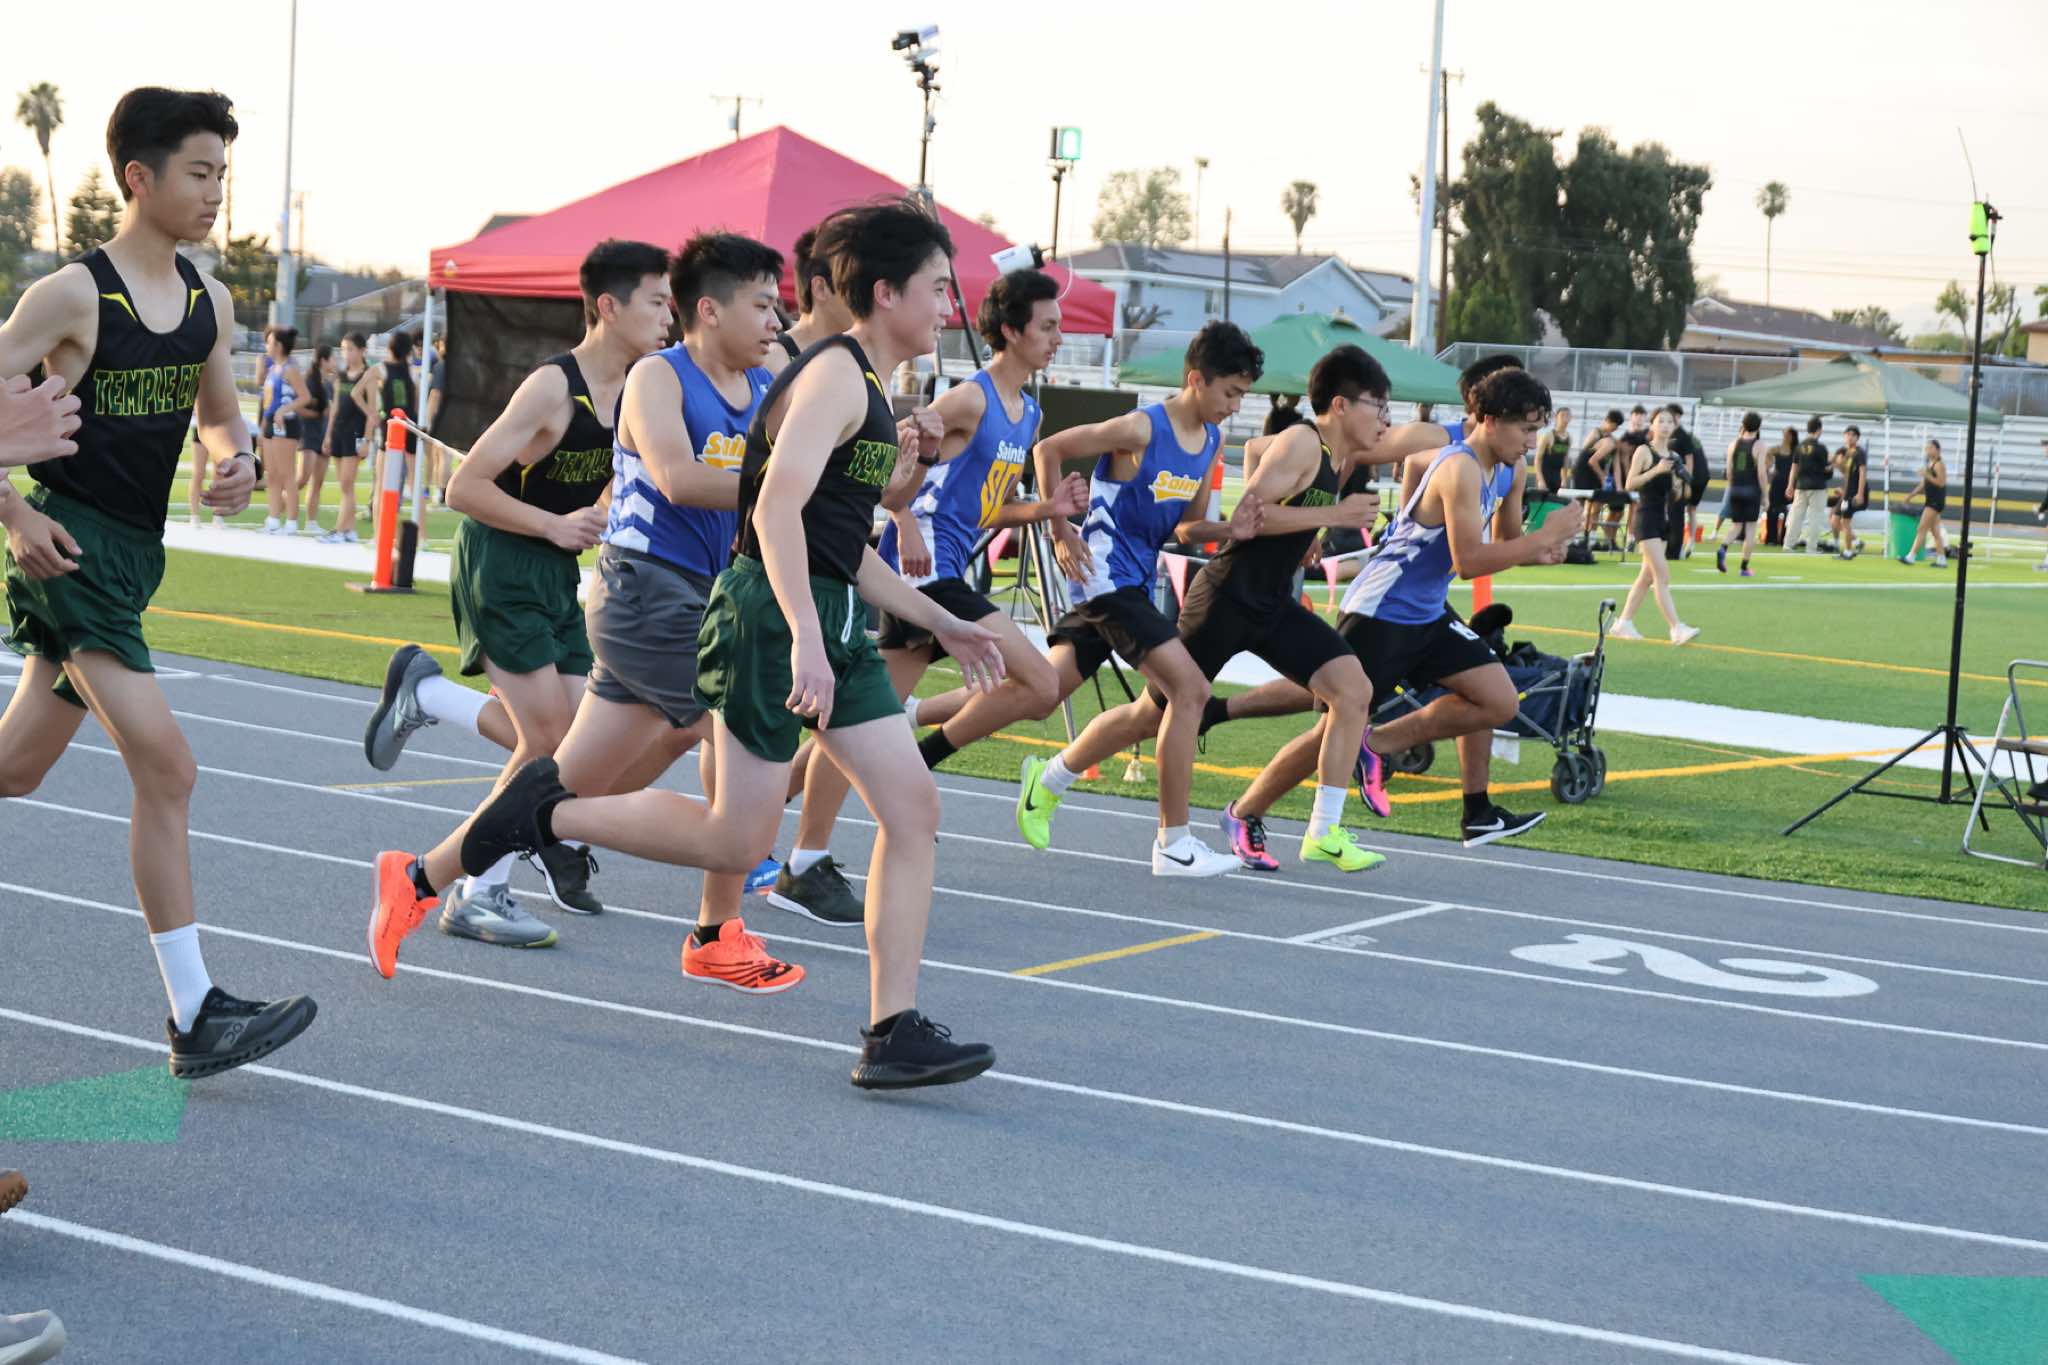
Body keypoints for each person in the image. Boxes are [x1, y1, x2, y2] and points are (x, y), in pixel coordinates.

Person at [432, 200, 1007, 1089]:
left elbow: (838, 533)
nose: (948, 305)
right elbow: (773, 510)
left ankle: (891, 1028)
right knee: (737, 834)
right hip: (757, 614)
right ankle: (548, 819)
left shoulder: (863, 386)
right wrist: (806, 636)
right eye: (938, 287)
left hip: (821, 616)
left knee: (912, 809)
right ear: (886, 292)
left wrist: (941, 619)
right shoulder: (830, 377)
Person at [0, 86, 317, 1077]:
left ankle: (195, 1013)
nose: (217, 191)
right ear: (139, 177)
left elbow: (218, 413)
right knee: (169, 767)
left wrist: (234, 458)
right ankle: (195, 1012)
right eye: (199, 172)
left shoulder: (210, 301)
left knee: (15, 768)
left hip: (134, 556)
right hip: (70, 550)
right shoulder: (72, 296)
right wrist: (14, 515)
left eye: (223, 173)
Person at [363, 239, 672, 953]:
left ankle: (428, 696)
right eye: (657, 302)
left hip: (554, 571)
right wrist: (553, 524)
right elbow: (462, 488)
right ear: (609, 306)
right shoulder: (551, 388)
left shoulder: (635, 390)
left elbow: (606, 482)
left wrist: (595, 521)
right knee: (547, 741)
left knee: (577, 743)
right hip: (500, 561)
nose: (668, 317)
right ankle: (477, 892)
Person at [771, 268, 1086, 922]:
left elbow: (985, 510)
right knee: (1041, 683)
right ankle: (908, 757)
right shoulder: (971, 398)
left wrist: (1046, 511)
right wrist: (903, 516)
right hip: (919, 567)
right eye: (1049, 326)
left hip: (945, 566)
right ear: (1011, 331)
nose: (1059, 337)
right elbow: (894, 455)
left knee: (856, 720)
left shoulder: (1029, 412)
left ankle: (769, 823)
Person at [1055, 345, 1390, 876]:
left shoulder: (1341, 458)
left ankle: (1324, 832)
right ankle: (1053, 776)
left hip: (1273, 605)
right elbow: (1251, 511)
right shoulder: (1304, 441)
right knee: (1151, 714)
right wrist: (1333, 515)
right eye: (1379, 406)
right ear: (1342, 405)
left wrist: (1310, 531)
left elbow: (1258, 457)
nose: (1386, 419)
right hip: (1228, 598)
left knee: (1354, 690)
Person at [1223, 368, 1582, 850]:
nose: (1532, 442)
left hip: (1428, 612)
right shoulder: (1459, 467)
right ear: (1491, 420)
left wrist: (1545, 548)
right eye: (1526, 429)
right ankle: (1244, 813)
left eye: (1537, 430)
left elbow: (1506, 542)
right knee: (1328, 734)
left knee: (1499, 701)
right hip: (1382, 610)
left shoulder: (1509, 470)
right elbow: (1469, 561)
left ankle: (1378, 746)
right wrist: (1542, 538)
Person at [1009, 321, 1266, 877]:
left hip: (1132, 583)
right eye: (1230, 393)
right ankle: (1174, 843)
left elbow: (1186, 529)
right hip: (1103, 577)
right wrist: (1059, 529)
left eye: (1243, 396)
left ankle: (1036, 778)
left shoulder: (1211, 441)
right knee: (1190, 690)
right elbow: (1049, 448)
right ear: (1196, 379)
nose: (1235, 406)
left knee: (1042, 692)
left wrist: (1231, 530)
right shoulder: (1141, 427)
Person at [1609, 408, 1700, 645]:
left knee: (1646, 576)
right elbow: (1630, 483)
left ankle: (1623, 622)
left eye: (1670, 422)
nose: (1666, 425)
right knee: (1662, 575)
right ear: (1653, 425)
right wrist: (1656, 470)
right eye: (1661, 421)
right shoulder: (1644, 451)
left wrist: (1679, 483)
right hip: (1646, 518)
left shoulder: (1673, 456)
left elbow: (1677, 493)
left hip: (1663, 519)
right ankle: (1676, 627)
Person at [313, 333, 369, 542]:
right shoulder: (341, 376)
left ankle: (339, 529)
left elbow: (372, 411)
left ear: (362, 350)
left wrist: (367, 440)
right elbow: (335, 406)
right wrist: (328, 435)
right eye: (344, 349)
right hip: (339, 431)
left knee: (347, 483)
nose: (346, 353)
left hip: (355, 433)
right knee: (345, 485)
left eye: (351, 349)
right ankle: (350, 530)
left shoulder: (367, 375)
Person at [352, 329, 417, 508]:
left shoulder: (380, 369)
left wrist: (371, 413)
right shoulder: (412, 372)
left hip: (389, 427)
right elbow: (417, 401)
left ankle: (379, 524)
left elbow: (356, 392)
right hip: (410, 426)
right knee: (414, 481)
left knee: (381, 482)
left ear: (390, 348)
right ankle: (420, 526)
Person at [258, 324, 311, 534]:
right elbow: (268, 401)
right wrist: (263, 426)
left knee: (287, 474)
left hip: (286, 424)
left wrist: (284, 410)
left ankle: (291, 522)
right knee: (272, 474)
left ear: (279, 346)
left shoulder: (290, 369)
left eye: (270, 342)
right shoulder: (273, 369)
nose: (267, 346)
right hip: (271, 424)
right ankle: (273, 519)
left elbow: (305, 397)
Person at [1716, 410, 1765, 576]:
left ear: (1743, 425)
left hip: (1735, 488)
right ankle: (1744, 567)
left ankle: (1723, 547)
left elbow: (1729, 471)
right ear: (1758, 427)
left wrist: (1733, 487)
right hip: (1752, 490)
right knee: (1750, 528)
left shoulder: (1733, 444)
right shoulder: (1759, 445)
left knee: (1736, 526)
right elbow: (1761, 474)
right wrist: (1765, 495)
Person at [1571, 409, 1624, 550]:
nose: (1613, 429)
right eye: (1613, 425)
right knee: (1580, 505)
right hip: (1584, 470)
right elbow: (1587, 455)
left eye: (1616, 427)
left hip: (1596, 469)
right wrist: (1602, 476)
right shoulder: (1597, 433)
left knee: (1596, 506)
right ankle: (1576, 539)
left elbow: (1614, 465)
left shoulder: (1613, 442)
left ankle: (1591, 540)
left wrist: (1618, 486)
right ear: (1607, 421)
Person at [294, 343, 332, 532]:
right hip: (308, 434)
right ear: (323, 360)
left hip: (324, 435)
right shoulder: (309, 381)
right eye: (332, 358)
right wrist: (318, 414)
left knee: (318, 482)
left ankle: (311, 522)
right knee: (302, 479)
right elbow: (298, 408)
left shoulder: (330, 384)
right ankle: (278, 509)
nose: (335, 362)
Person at [1666, 402, 1708, 557]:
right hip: (1700, 475)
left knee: (1679, 509)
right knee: (1690, 510)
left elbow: (1690, 460)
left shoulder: (1680, 436)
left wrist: (1688, 483)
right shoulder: (1686, 435)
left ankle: (1683, 544)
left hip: (1693, 476)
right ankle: (1690, 543)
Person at [1901, 438, 1951, 568]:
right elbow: (1924, 484)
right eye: (1926, 448)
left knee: (1922, 528)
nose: (1928, 451)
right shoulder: (1931, 464)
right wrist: (1911, 496)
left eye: (1930, 448)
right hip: (1932, 501)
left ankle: (1911, 556)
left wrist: (1926, 474)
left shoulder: (1939, 465)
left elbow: (1941, 482)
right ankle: (1941, 559)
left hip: (1935, 502)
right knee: (1935, 532)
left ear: (1938, 450)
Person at [1786, 416, 1832, 553]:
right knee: (1815, 518)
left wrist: (1790, 485)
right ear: (1819, 430)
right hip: (1817, 486)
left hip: (1800, 486)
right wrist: (1832, 464)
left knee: (1796, 516)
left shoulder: (1799, 447)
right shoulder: (1821, 448)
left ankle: (1788, 544)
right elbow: (1826, 470)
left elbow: (1793, 468)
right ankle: (1811, 548)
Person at [1832, 423, 1869, 559]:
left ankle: (1848, 551)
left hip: (1854, 492)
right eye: (1848, 434)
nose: (1850, 437)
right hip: (1847, 492)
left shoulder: (1859, 452)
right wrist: (1838, 465)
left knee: (1845, 522)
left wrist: (1860, 493)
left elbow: (1862, 473)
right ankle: (1852, 546)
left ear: (1857, 438)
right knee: (1839, 521)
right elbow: (1847, 474)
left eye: (1853, 435)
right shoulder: (1847, 453)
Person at [1764, 425, 1797, 546]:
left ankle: (1784, 538)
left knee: (1788, 512)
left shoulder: (1796, 451)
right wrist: (1769, 464)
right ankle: (1771, 538)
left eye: (1788, 434)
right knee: (1772, 511)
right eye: (1784, 434)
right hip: (1777, 483)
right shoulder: (1777, 449)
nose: (1785, 437)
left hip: (1790, 484)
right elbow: (1767, 452)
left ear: (1792, 436)